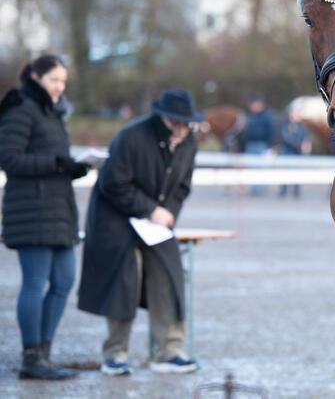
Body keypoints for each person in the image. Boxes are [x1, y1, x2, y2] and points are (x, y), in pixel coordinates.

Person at [77, 90, 203, 376]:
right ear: (167, 120)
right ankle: (115, 353)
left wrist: (167, 212)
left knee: (169, 277)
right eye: (179, 124)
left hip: (156, 226)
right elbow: (113, 184)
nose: (184, 131)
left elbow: (182, 186)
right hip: (115, 220)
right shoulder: (131, 137)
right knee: (124, 280)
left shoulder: (189, 142)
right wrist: (150, 210)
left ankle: (169, 351)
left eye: (188, 125)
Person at [0, 55, 89, 380]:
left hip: (59, 209)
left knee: (64, 281)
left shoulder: (53, 112)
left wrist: (72, 168)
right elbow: (8, 159)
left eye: (63, 82)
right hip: (31, 210)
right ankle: (31, 356)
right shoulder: (20, 106)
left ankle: (45, 353)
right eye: (54, 80)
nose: (59, 87)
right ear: (36, 76)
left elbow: (54, 159)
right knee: (35, 282)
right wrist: (57, 164)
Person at [243, 96, 275, 195]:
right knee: (252, 167)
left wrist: (269, 145)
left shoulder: (266, 117)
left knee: (262, 167)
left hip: (262, 145)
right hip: (250, 144)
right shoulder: (250, 117)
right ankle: (254, 189)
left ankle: (262, 189)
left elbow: (270, 131)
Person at [278, 111, 312, 199]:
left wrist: (306, 145)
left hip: (298, 154)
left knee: (298, 173)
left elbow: (306, 138)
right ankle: (283, 191)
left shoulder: (303, 127)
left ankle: (296, 192)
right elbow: (286, 138)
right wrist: (299, 145)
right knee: (285, 172)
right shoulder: (286, 126)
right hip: (288, 152)